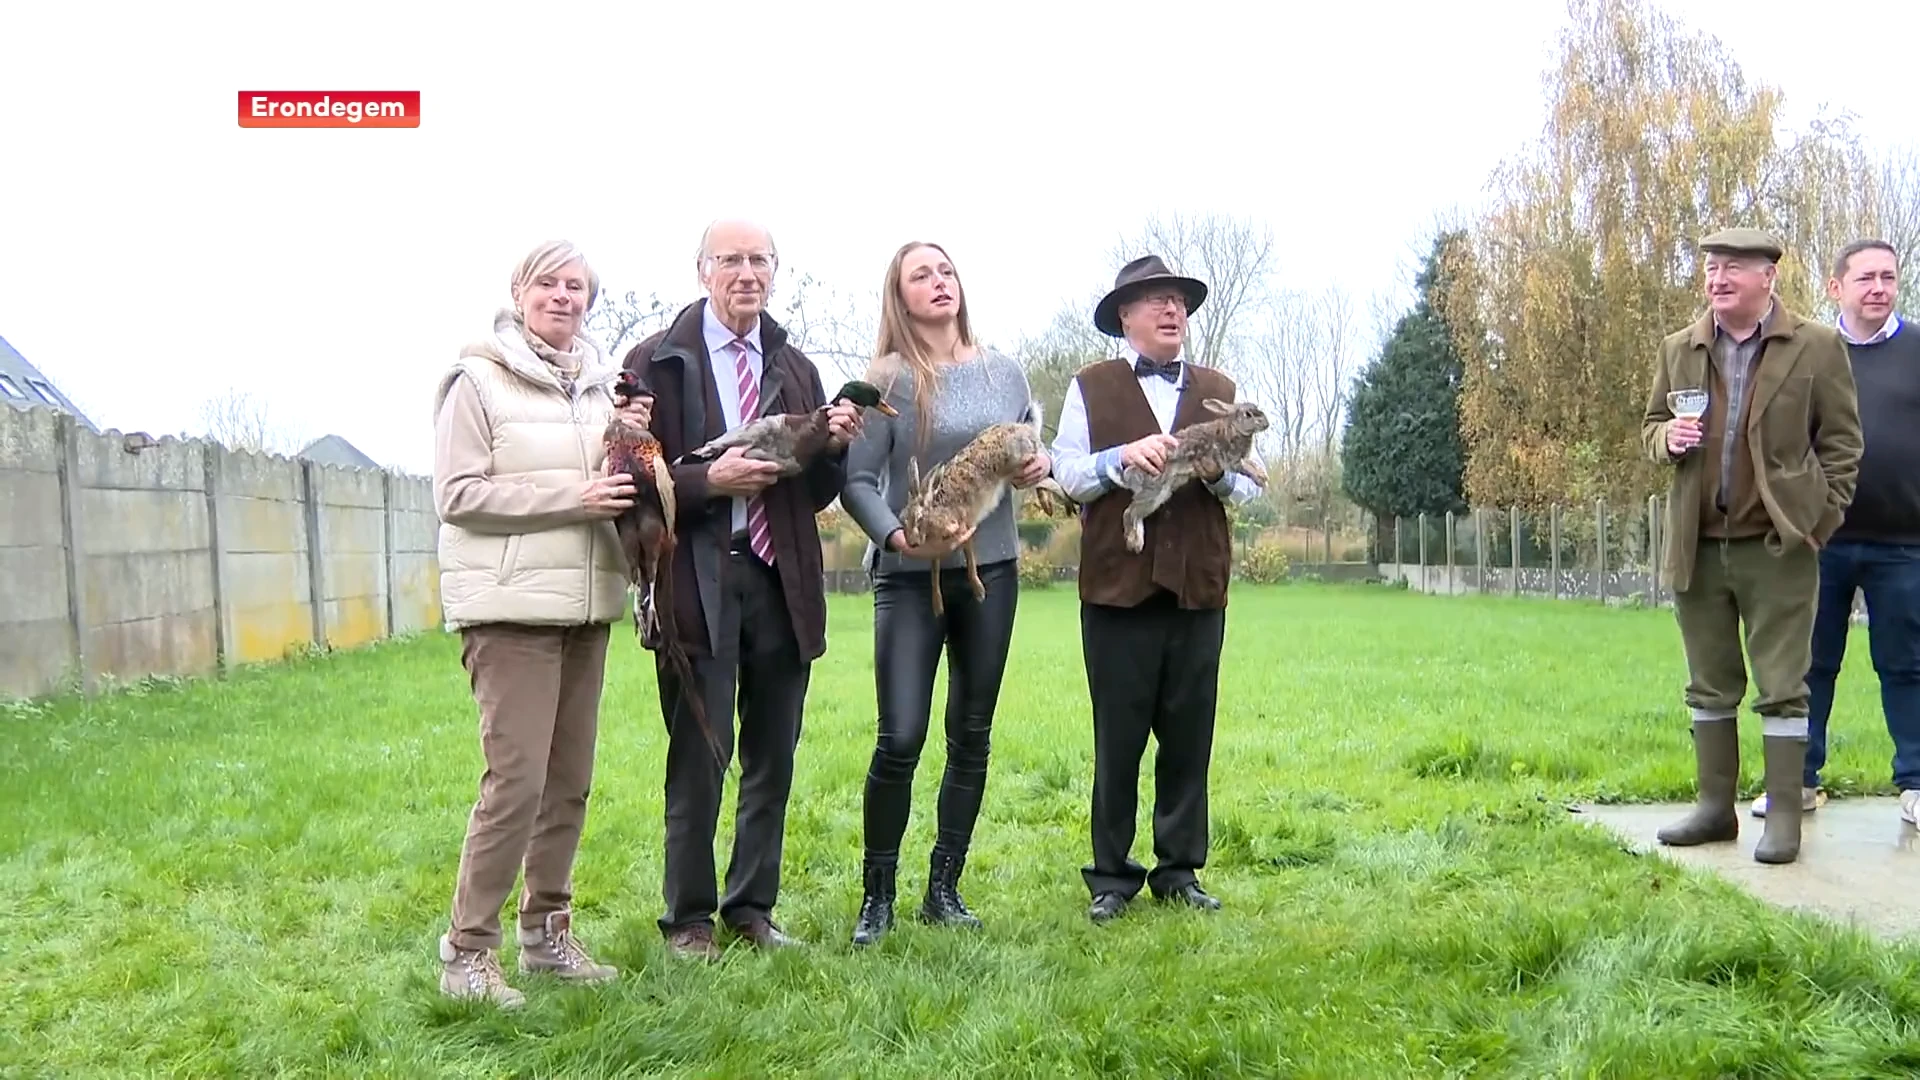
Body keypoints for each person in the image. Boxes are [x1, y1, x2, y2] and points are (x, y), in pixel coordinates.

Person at [621, 219, 863, 958]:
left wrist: (834, 446)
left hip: (781, 579)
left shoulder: (794, 367)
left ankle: (751, 909)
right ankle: (689, 921)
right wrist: (705, 481)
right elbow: (629, 476)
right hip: (696, 577)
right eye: (731, 260)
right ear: (702, 272)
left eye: (760, 260)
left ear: (774, 272)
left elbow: (817, 491)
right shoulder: (655, 362)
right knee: (700, 752)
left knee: (773, 754)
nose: (746, 273)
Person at [430, 239, 648, 1006]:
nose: (565, 297)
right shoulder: (477, 379)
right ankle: (466, 954)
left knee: (568, 784)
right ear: (519, 291)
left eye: (578, 287)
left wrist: (632, 442)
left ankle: (546, 935)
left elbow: (612, 480)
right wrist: (574, 497)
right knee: (515, 782)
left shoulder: (597, 388)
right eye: (549, 284)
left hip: (585, 608)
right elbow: (458, 493)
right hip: (509, 610)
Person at [838, 241, 1050, 946]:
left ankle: (944, 889)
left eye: (947, 270)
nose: (939, 283)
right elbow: (858, 480)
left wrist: (1038, 469)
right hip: (909, 577)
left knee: (972, 736)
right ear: (899, 297)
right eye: (920, 275)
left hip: (990, 574)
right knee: (900, 736)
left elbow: (1025, 459)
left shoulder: (1005, 372)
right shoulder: (889, 379)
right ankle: (877, 899)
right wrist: (897, 539)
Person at [1641, 227, 1862, 865]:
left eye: (1733, 268)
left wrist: (1819, 522)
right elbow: (1651, 427)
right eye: (1711, 268)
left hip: (1778, 545)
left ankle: (1785, 816)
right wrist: (1668, 440)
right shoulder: (1679, 348)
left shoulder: (1816, 347)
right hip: (1698, 545)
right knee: (1708, 685)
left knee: (1783, 686)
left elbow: (1843, 444)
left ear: (1768, 277)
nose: (1717, 279)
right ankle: (1715, 810)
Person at [1050, 254, 1260, 923]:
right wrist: (1119, 459)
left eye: (1180, 302)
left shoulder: (1222, 386)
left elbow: (1250, 487)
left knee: (1190, 734)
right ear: (1125, 316)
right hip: (1117, 588)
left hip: (1199, 585)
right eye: (1157, 301)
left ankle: (1180, 871)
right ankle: (1112, 877)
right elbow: (1067, 475)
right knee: (1118, 738)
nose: (1174, 312)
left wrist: (1217, 474)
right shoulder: (1092, 386)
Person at [1754, 238, 1917, 827]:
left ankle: (1916, 783)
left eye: (1889, 278)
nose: (1879, 288)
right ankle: (1796, 780)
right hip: (1821, 539)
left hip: (1906, 543)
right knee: (1810, 663)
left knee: (1906, 664)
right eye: (1867, 278)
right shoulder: (1809, 352)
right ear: (1836, 287)